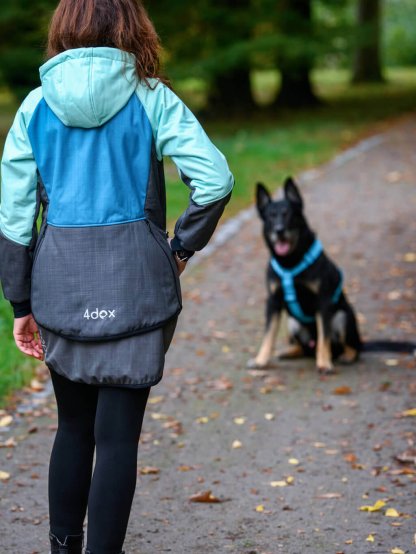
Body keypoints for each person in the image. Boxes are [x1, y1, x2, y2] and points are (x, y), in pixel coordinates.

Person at [0, 0, 234, 552]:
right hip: (137, 287)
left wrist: (20, 302)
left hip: (59, 285)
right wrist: (179, 248)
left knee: (72, 427)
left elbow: (13, 217)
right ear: (131, 28)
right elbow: (216, 179)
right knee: (118, 438)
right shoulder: (152, 97)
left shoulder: (35, 107)